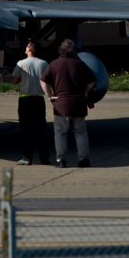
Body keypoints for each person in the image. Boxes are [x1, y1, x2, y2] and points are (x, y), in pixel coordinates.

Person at [40, 38, 96, 168]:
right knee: (80, 132)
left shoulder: (53, 64)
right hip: (78, 104)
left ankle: (61, 160)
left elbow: (43, 81)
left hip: (61, 105)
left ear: (61, 50)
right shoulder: (79, 64)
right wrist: (86, 92)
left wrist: (50, 96)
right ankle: (84, 159)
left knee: (60, 133)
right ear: (73, 51)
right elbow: (91, 81)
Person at [11, 41, 50, 165]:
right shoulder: (44, 63)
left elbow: (14, 81)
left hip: (25, 99)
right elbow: (48, 79)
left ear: (29, 50)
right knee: (41, 130)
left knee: (25, 130)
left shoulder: (21, 63)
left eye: (26, 47)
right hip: (39, 99)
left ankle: (27, 157)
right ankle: (44, 157)